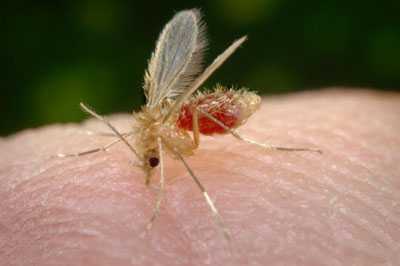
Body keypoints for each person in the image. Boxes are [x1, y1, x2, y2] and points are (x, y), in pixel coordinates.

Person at [1, 88, 399, 265]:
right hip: (190, 116)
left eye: (151, 162)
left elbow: (182, 152)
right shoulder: (154, 135)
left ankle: (257, 147)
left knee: (187, 152)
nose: (150, 163)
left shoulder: (169, 136)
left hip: (212, 114)